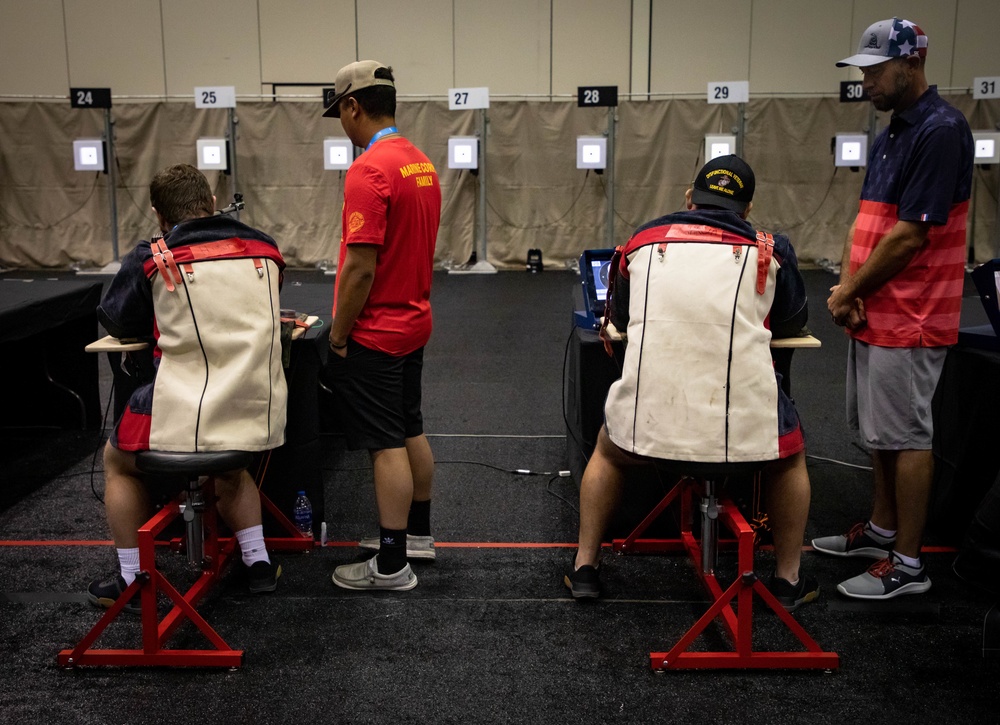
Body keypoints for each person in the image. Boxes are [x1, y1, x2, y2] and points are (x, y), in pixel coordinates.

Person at [565, 155, 819, 612]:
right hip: (742, 438)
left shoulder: (641, 242)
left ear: (688, 197)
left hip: (645, 431)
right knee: (790, 458)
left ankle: (585, 567)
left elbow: (618, 319)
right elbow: (793, 321)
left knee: (607, 449)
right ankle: (786, 580)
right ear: (747, 208)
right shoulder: (771, 247)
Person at [815, 18, 974, 600]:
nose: (867, 82)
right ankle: (882, 531)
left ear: (912, 62)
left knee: (907, 437)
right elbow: (867, 221)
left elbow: (910, 236)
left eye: (876, 70)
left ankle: (908, 563)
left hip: (912, 313)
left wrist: (852, 291)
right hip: (875, 308)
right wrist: (847, 289)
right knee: (881, 433)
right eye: (863, 71)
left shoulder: (940, 130)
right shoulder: (890, 135)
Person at [87, 163, 287, 612]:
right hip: (254, 402)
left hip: (184, 405)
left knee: (117, 461)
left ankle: (130, 577)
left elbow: (117, 319)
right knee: (229, 464)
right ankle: (258, 563)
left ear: (160, 215)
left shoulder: (153, 255)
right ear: (213, 204)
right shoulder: (265, 247)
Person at [320, 60, 442, 591]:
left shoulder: (368, 170)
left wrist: (338, 335)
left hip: (377, 331)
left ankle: (391, 564)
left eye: (339, 113)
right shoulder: (420, 162)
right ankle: (416, 535)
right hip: (414, 321)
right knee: (410, 428)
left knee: (385, 444)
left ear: (353, 106)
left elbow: (360, 267)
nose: (341, 124)